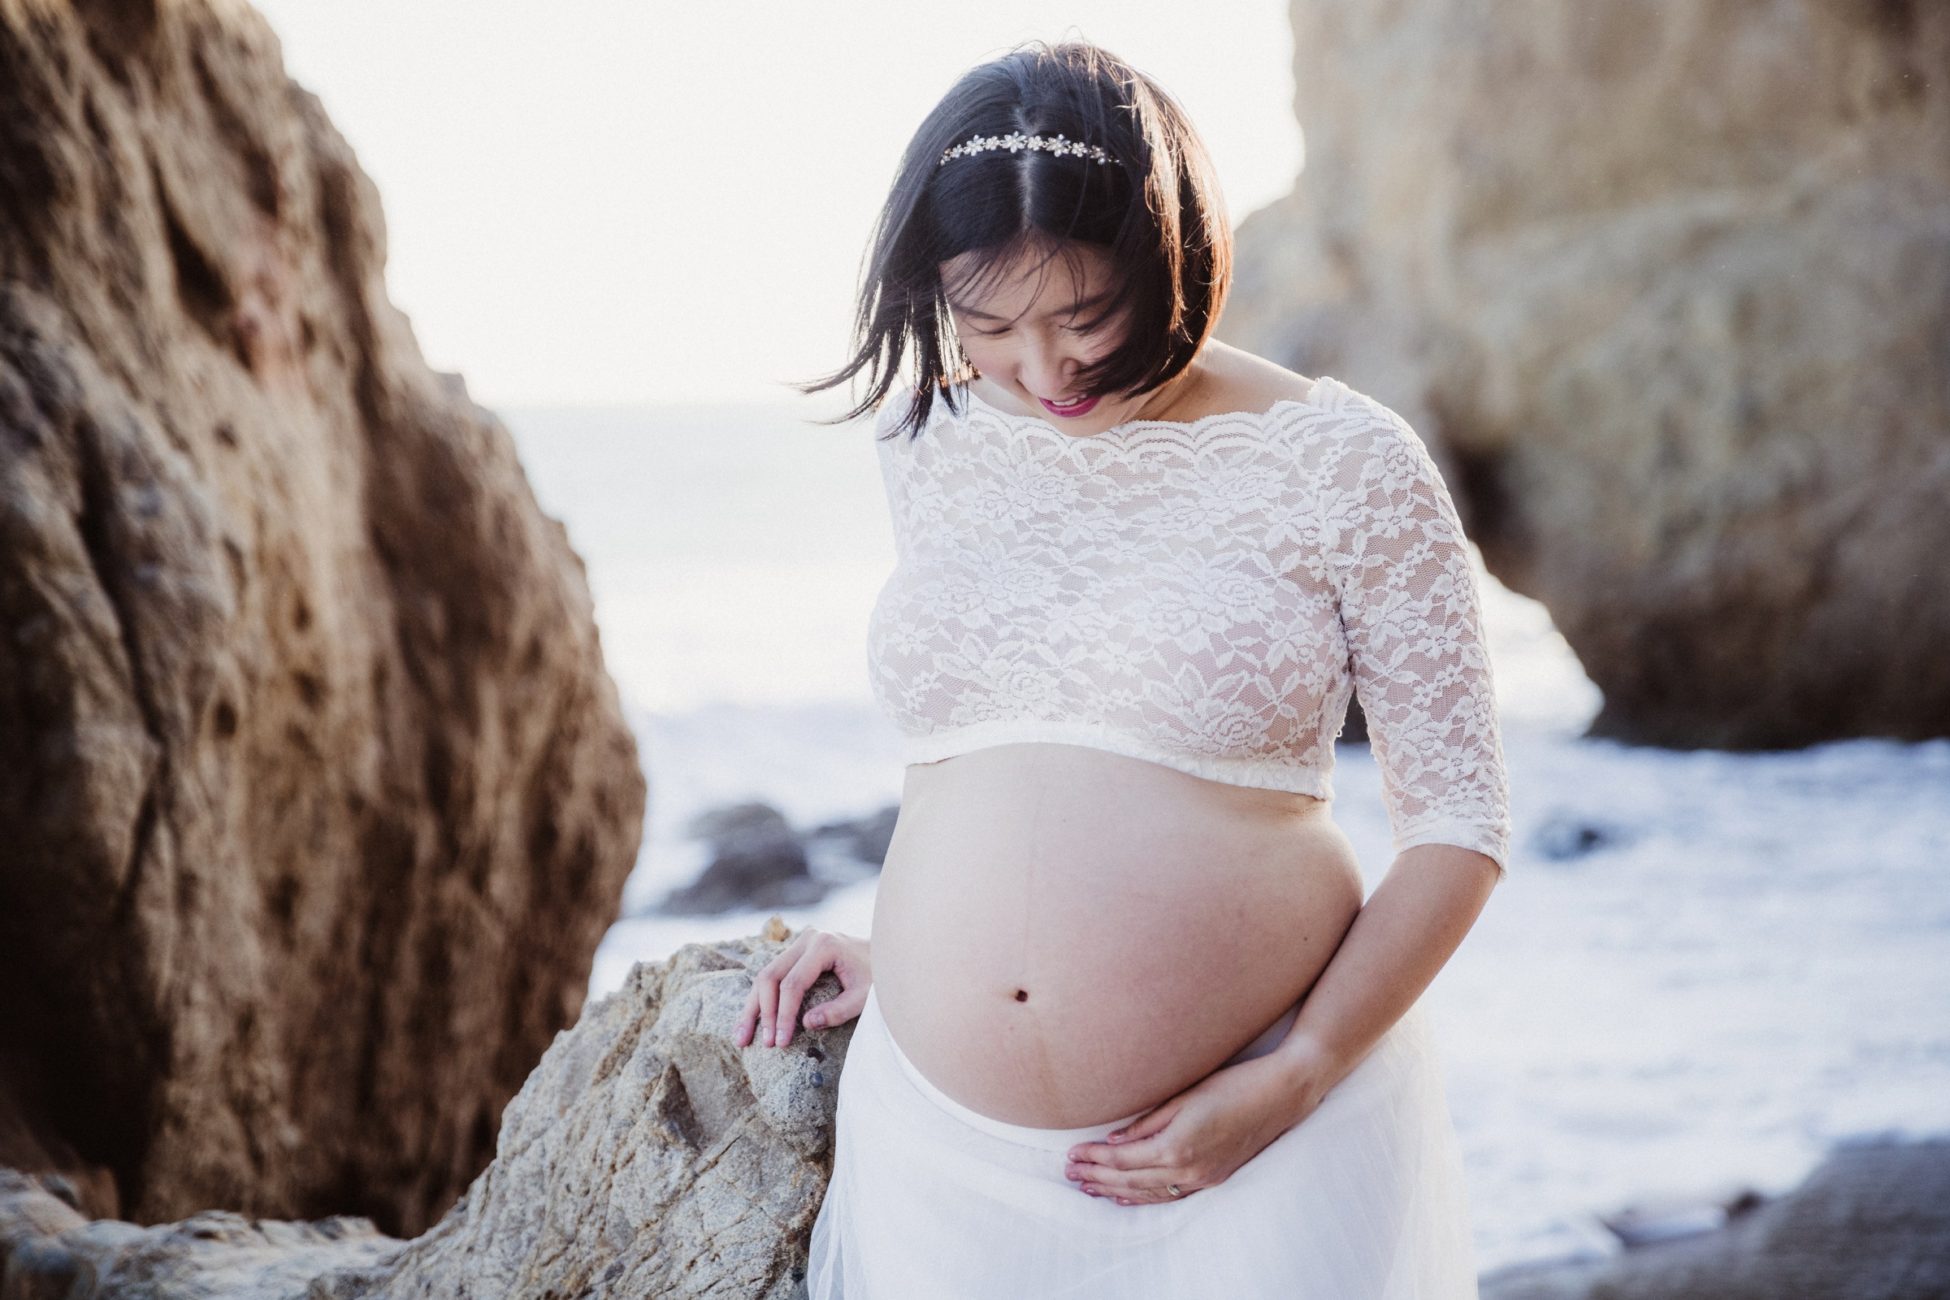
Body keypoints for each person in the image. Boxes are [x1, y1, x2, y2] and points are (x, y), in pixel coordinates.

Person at [736, 37, 1513, 1299]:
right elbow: (998, 739)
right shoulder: (923, 437)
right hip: (942, 1154)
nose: (1044, 371)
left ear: (1171, 258)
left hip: (1264, 1142)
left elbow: (1461, 823)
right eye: (987, 325)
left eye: (1084, 316)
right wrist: (918, 952)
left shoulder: (1345, 465)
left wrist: (1300, 1067)